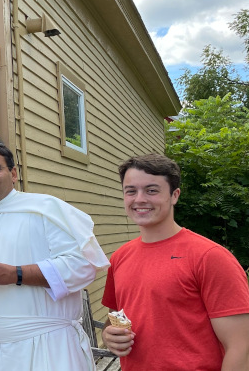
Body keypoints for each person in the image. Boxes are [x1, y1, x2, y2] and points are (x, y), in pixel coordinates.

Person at [0, 141, 110, 371]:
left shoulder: (44, 209)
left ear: (13, 173)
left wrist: (15, 274)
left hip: (50, 348)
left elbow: (83, 265)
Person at [102, 154, 249, 370]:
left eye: (152, 190)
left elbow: (241, 347)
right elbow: (116, 317)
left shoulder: (209, 257)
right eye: (131, 191)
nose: (139, 199)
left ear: (174, 195)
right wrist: (108, 335)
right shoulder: (120, 257)